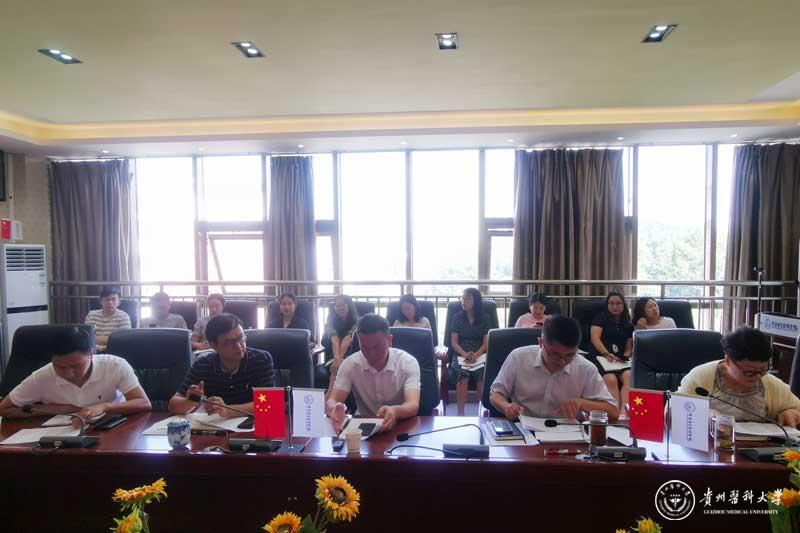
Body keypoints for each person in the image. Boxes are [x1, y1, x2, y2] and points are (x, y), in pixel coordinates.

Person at [0, 327, 151, 421]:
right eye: (60, 367)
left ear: (90, 354)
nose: (68, 373)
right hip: (62, 435)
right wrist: (55, 409)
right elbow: (4, 409)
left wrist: (105, 407)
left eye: (76, 366)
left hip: (113, 426)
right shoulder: (42, 376)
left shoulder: (114, 365)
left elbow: (143, 403)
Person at [490, 316, 618, 421]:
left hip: (565, 433)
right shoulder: (518, 357)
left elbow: (613, 412)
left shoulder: (585, 368)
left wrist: (582, 403)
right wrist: (507, 406)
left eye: (570, 355)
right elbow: (496, 393)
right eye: (555, 355)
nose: (562, 362)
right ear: (541, 343)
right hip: (523, 428)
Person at [677, 326, 800, 426]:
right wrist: (701, 414)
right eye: (749, 372)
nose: (757, 377)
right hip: (709, 444)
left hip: (758, 447)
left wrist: (792, 413)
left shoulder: (769, 383)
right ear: (728, 361)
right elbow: (674, 411)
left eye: (763, 370)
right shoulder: (701, 377)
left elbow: (796, 407)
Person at [326, 314, 420, 432]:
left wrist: (395, 411)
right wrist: (333, 408)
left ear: (389, 340)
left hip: (400, 425)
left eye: (377, 347)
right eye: (365, 348)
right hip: (362, 427)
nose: (372, 354)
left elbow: (412, 404)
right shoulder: (350, 364)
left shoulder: (407, 363)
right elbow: (333, 400)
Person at [168, 313, 275, 417]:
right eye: (229, 343)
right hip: (216, 426)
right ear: (213, 345)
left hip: (253, 426)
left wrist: (228, 410)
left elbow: (269, 404)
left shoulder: (261, 359)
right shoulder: (202, 364)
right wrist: (189, 402)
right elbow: (172, 405)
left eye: (241, 338)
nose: (239, 346)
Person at [589, 291, 634, 413]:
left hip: (619, 359)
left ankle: (623, 413)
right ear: (607, 305)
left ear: (623, 305)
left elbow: (629, 345)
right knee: (611, 379)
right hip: (600, 356)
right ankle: (614, 413)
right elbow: (595, 338)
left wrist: (626, 354)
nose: (615, 306)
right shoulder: (600, 318)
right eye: (611, 303)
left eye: (618, 303)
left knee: (629, 376)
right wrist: (606, 354)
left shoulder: (627, 323)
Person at [448, 288, 491, 416]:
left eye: (468, 298)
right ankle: (460, 415)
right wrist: (465, 354)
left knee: (481, 376)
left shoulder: (485, 318)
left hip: (480, 354)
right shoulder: (457, 317)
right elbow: (454, 342)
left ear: (476, 301)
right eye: (463, 298)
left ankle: (481, 414)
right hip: (461, 354)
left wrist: (476, 355)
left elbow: (486, 343)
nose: (464, 301)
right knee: (463, 375)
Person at [84, 286, 132, 352]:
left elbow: (123, 340)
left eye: (113, 299)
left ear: (119, 302)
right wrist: (111, 339)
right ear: (101, 301)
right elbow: (87, 338)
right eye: (107, 299)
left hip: (114, 351)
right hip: (93, 352)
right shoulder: (91, 315)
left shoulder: (124, 316)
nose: (110, 302)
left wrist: (96, 339)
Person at [325, 294, 360, 379]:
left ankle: (332, 387)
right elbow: (334, 340)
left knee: (340, 367)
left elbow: (347, 340)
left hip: (352, 357)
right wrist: (337, 359)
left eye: (342, 305)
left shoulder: (357, 322)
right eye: (337, 306)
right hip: (333, 357)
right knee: (337, 368)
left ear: (349, 305)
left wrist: (339, 360)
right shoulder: (331, 321)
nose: (339, 308)